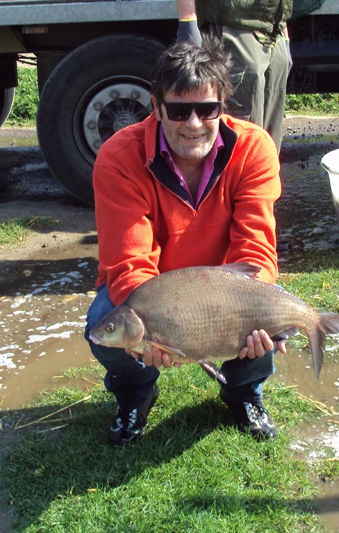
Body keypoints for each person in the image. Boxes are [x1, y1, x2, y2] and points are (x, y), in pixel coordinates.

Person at [84, 37, 286, 446]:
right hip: (153, 290)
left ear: (222, 105)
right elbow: (127, 261)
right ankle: (135, 394)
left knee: (264, 310)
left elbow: (256, 249)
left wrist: (256, 305)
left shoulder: (254, 148)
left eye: (207, 109)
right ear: (156, 107)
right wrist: (149, 332)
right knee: (105, 321)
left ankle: (244, 392)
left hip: (224, 284)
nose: (193, 124)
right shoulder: (119, 157)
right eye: (178, 111)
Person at [175, 0, 292, 152]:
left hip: (274, 28)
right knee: (239, 140)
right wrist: (188, 20)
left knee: (270, 142)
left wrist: (284, 31)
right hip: (232, 25)